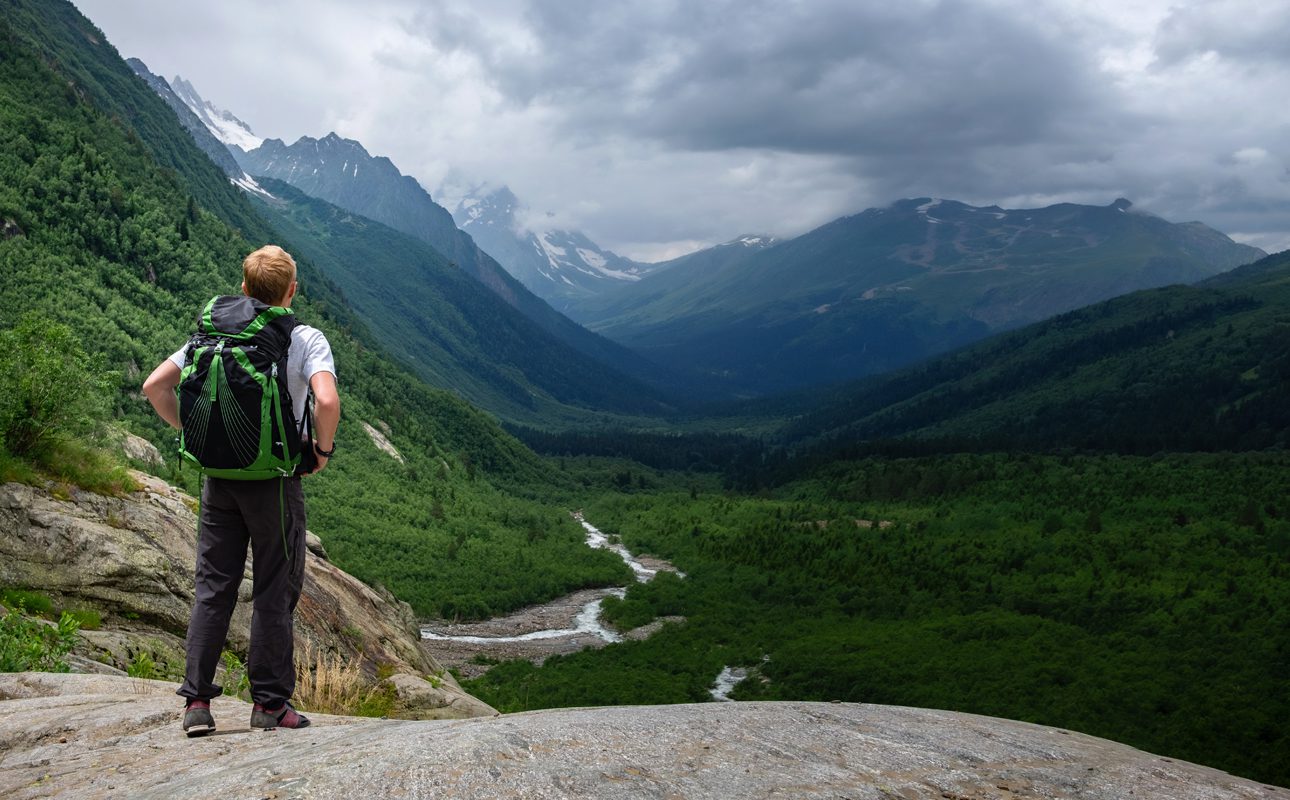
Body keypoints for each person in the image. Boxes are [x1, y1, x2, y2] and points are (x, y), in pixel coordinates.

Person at [142, 244, 339, 735]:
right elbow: (327, 400)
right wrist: (321, 451)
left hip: (218, 479)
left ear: (245, 288)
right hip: (273, 481)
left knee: (213, 587)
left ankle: (196, 705)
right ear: (291, 292)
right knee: (274, 590)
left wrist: (190, 433)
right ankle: (269, 705)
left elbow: (154, 388)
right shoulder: (303, 336)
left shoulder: (212, 332)